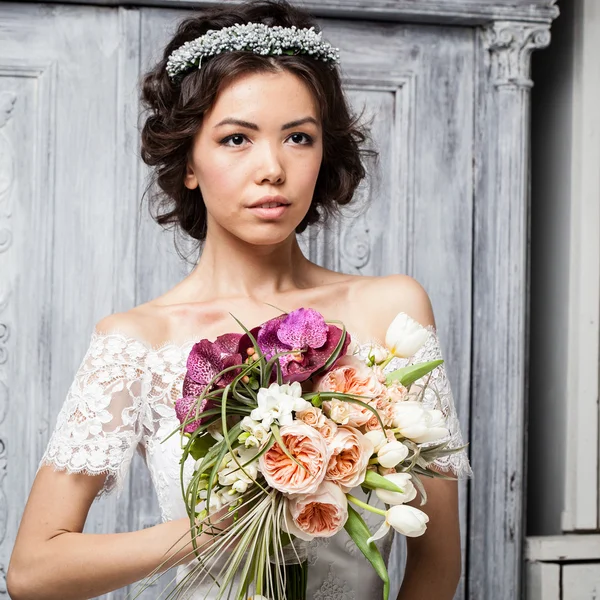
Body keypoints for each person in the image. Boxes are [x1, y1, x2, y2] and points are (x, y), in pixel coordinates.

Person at [7, 1, 471, 598]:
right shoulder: (137, 341)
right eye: (235, 139)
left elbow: (436, 563)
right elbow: (33, 571)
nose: (272, 168)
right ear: (189, 161)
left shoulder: (390, 311)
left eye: (298, 137)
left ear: (322, 152)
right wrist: (218, 525)